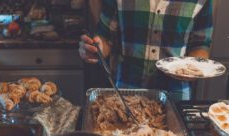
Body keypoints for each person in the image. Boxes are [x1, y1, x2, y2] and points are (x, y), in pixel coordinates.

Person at [79, 0, 213, 101]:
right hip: (126, 94)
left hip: (175, 96)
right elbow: (105, 37)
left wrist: (193, 69)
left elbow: (201, 44)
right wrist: (96, 49)